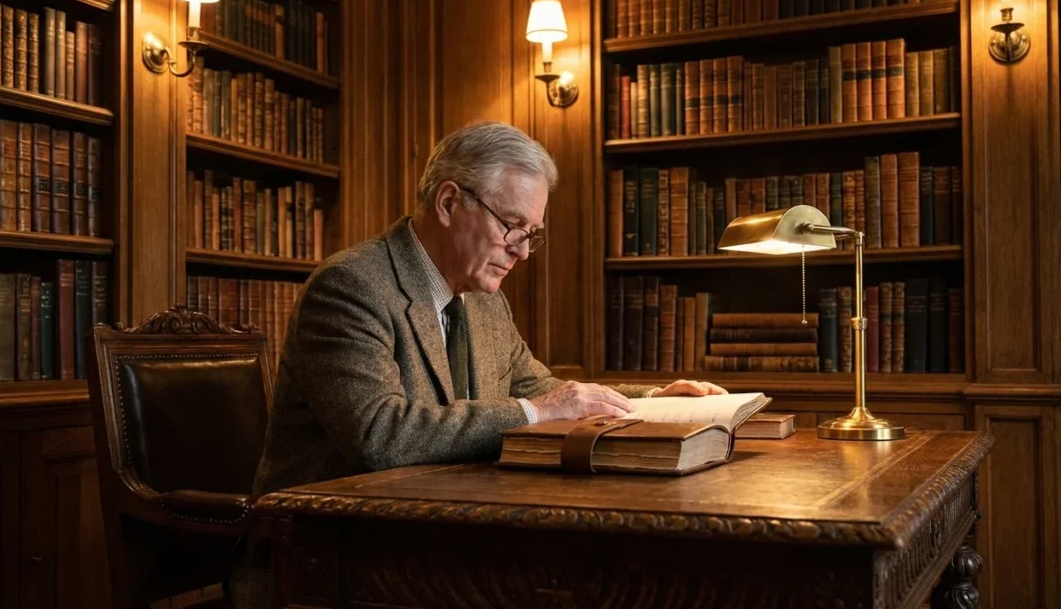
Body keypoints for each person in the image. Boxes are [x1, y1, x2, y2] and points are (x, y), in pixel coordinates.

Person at [230, 121, 726, 605]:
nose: (523, 252)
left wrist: (654, 399)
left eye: (533, 234)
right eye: (512, 226)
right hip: (323, 556)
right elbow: (379, 435)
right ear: (449, 202)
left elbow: (541, 387)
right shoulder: (352, 286)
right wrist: (536, 412)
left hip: (436, 538)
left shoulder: (485, 300)